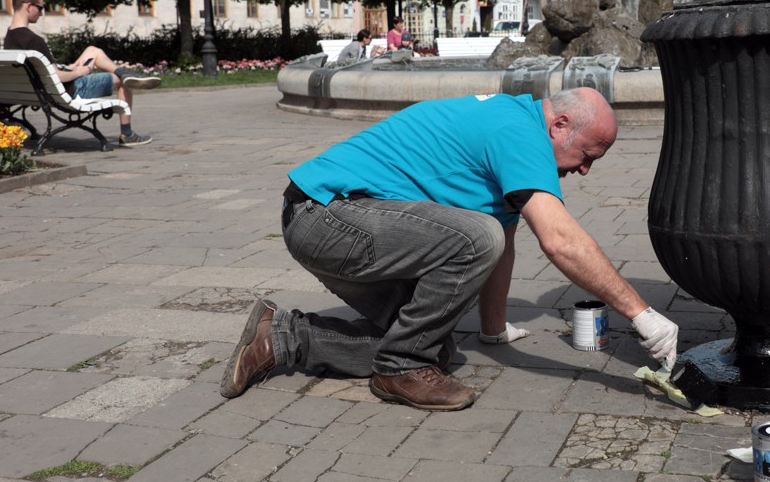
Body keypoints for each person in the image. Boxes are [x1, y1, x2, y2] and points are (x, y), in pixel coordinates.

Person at [220, 88, 680, 411]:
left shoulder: (512, 124)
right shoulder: (519, 132)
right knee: (476, 238)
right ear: (559, 124)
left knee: (431, 348)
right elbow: (559, 240)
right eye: (587, 155)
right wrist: (644, 318)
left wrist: (493, 330)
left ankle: (280, 338)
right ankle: (399, 368)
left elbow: (507, 242)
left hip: (333, 223)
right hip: (326, 218)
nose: (585, 171)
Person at [4, 0, 160, 146]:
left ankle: (123, 71)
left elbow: (45, 72)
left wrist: (70, 68)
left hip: (40, 91)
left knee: (93, 51)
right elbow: (55, 76)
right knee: (121, 81)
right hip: (69, 90)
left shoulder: (10, 37)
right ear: (28, 6)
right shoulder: (34, 40)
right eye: (40, 8)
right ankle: (127, 132)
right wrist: (79, 72)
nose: (41, 13)